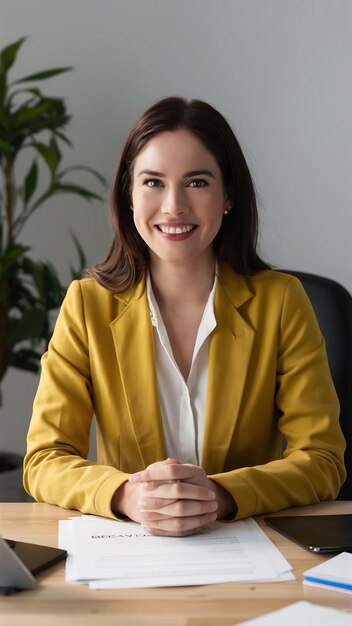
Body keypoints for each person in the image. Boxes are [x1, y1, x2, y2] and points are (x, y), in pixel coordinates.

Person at [24, 97, 346, 537]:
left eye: (196, 182)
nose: (173, 206)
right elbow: (45, 459)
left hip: (250, 549)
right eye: (153, 182)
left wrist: (221, 495)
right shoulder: (87, 306)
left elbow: (323, 460)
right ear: (129, 195)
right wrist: (126, 495)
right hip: (130, 549)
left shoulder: (282, 302)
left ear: (229, 195)